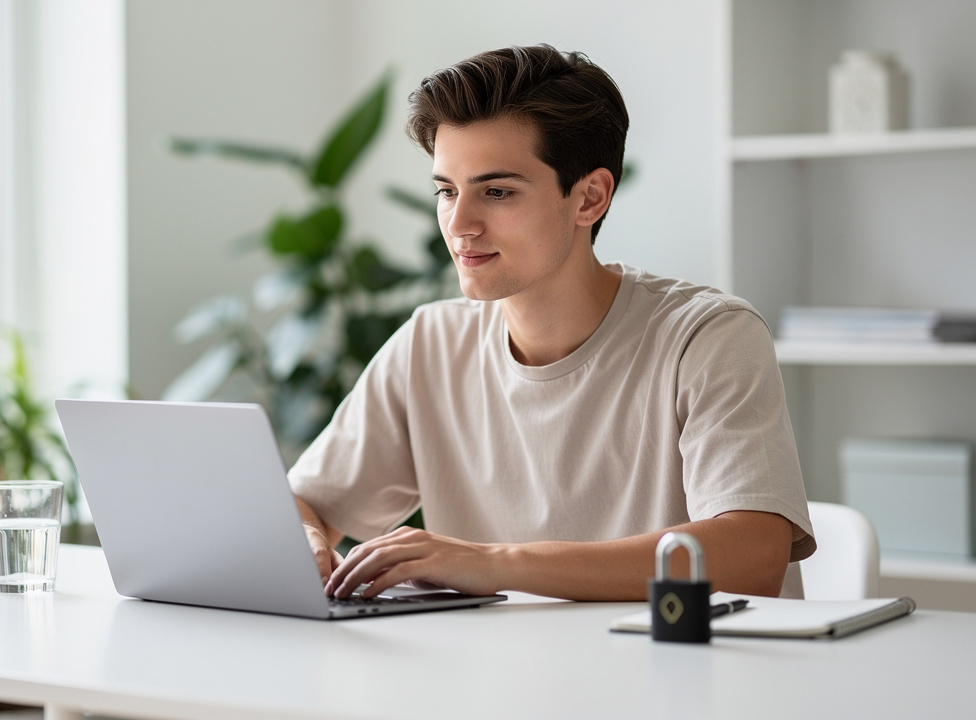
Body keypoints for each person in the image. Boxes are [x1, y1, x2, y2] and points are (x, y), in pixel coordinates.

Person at [287, 44, 815, 602]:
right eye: (446, 191)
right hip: (497, 680)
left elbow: (754, 553)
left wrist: (498, 564)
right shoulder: (431, 343)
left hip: (682, 677)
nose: (459, 224)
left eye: (496, 191)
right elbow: (309, 502)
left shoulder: (707, 337)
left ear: (590, 197)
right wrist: (305, 539)